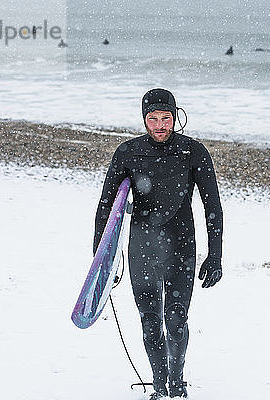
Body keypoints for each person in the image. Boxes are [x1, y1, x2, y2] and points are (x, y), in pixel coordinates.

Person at [93, 88, 224, 399]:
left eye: (167, 118)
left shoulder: (193, 152)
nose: (161, 125)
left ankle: (177, 382)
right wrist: (101, 259)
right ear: (144, 119)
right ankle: (159, 386)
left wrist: (215, 255)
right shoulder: (127, 153)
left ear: (176, 117)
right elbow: (105, 208)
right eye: (153, 119)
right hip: (143, 247)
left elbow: (213, 207)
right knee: (151, 322)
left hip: (181, 245)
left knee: (177, 318)